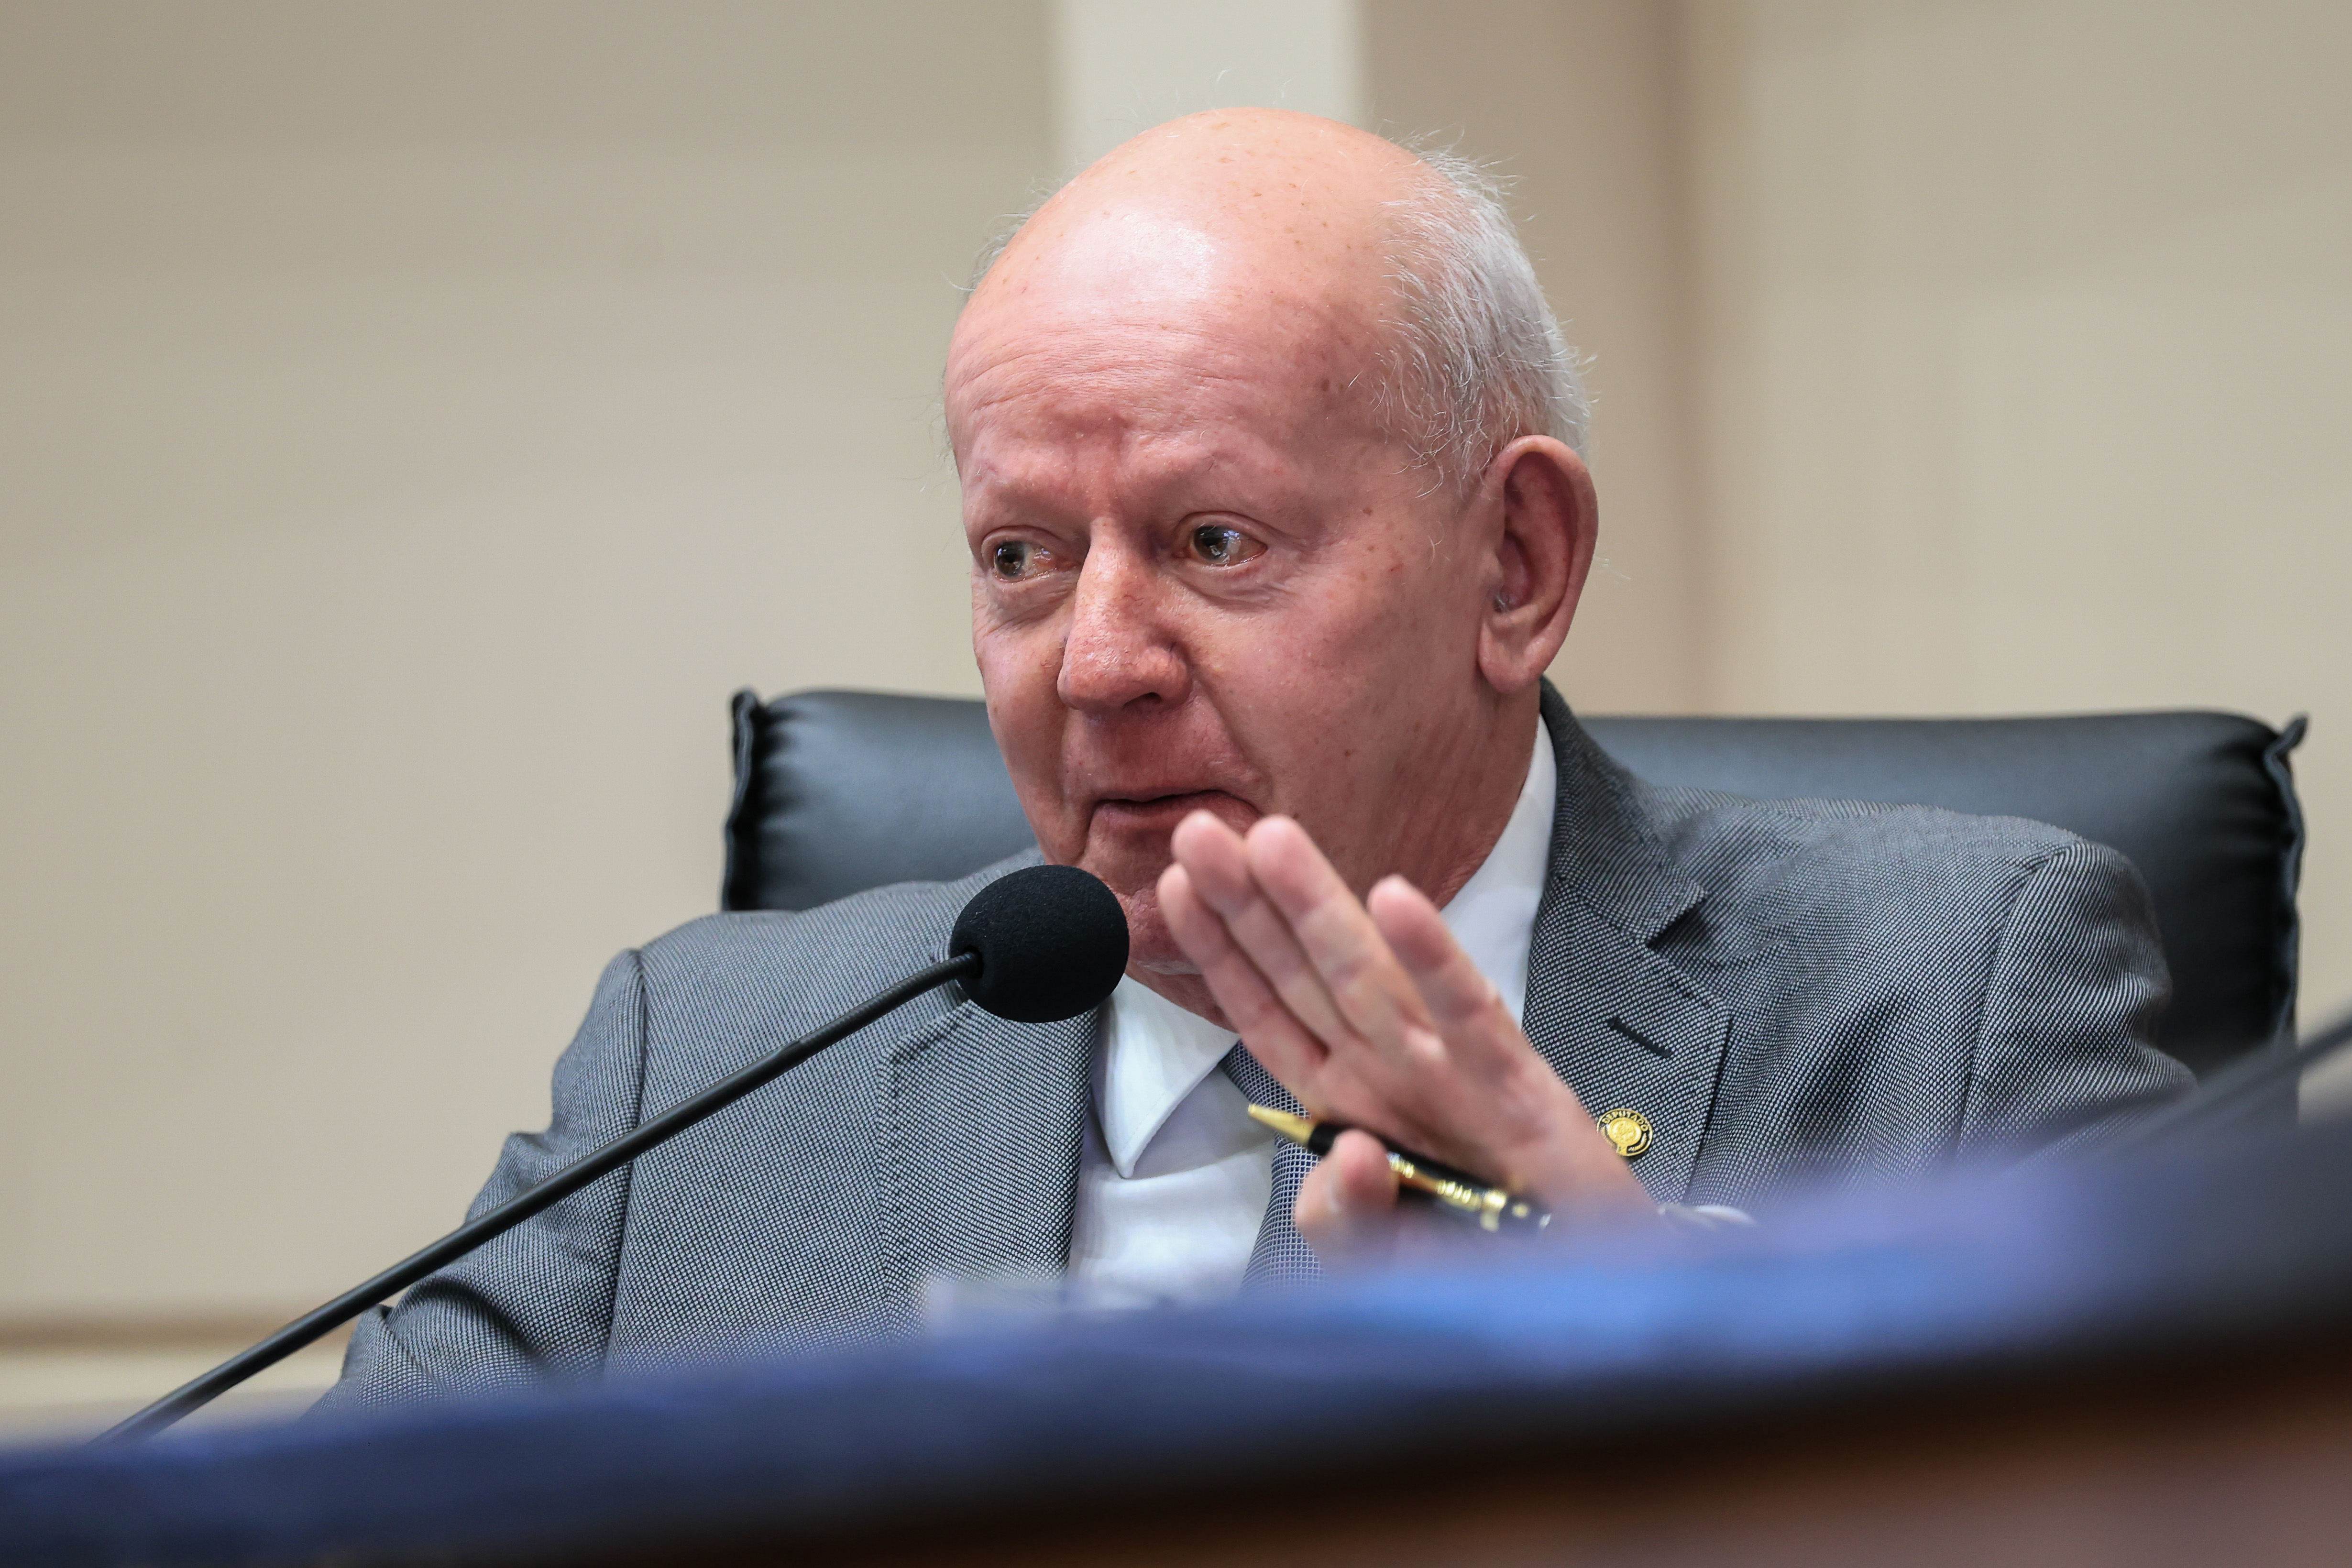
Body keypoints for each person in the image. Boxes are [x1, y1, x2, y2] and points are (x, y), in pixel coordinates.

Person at [321, 111, 2187, 1407]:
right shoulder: (706, 1065)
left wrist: (1654, 1347)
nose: (1098, 664)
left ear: (1516, 565)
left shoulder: (1946, 1008)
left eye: (1214, 542)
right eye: (1020, 557)